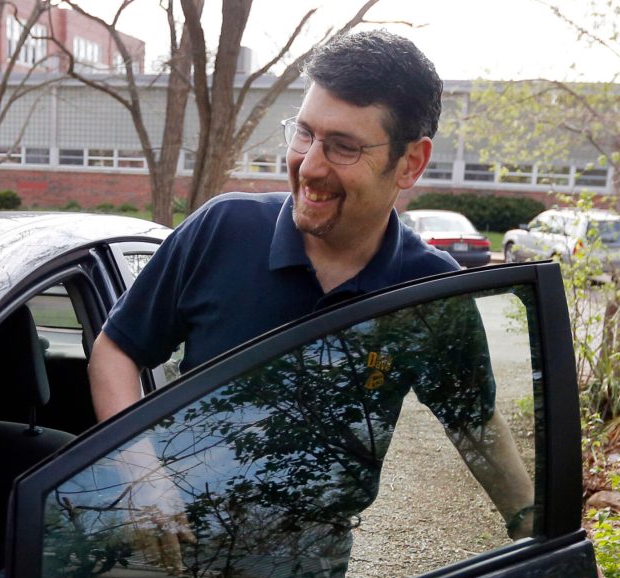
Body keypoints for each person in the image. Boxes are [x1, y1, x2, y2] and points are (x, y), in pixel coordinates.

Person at [88, 27, 534, 536]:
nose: (309, 166)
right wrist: (142, 479)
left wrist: (535, 525)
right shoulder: (222, 229)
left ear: (410, 162)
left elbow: (473, 423)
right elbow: (116, 350)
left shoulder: (429, 290)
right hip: (180, 533)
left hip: (311, 561)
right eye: (305, 133)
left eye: (342, 147)